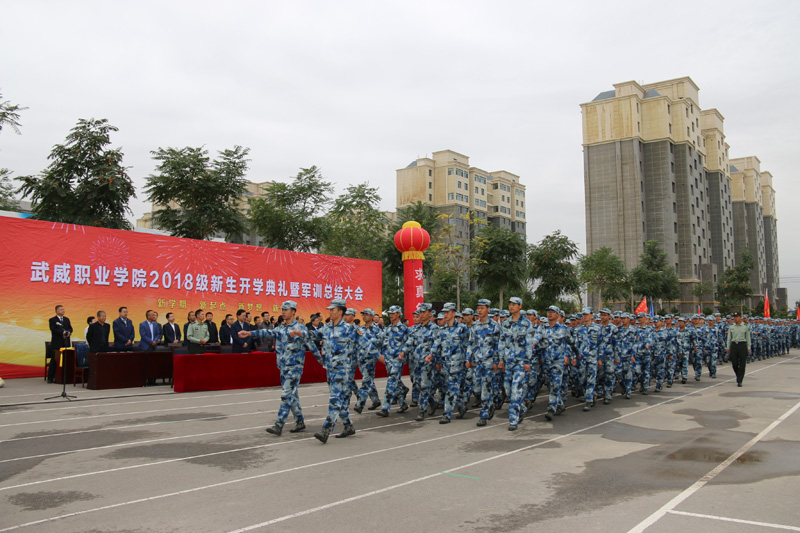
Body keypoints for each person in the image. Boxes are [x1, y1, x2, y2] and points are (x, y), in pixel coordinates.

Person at [240, 300, 323, 436]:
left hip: (295, 367)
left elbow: (311, 345)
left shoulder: (300, 329)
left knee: (286, 394)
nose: (283, 312)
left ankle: (279, 425)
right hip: (283, 367)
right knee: (292, 395)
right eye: (282, 309)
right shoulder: (281, 328)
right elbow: (267, 332)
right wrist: (249, 333)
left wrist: (320, 360)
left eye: (286, 309)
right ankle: (300, 422)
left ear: (293, 312)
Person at [312, 298, 358, 444]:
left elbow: (364, 342)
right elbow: (313, 335)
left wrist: (379, 357)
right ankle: (348, 426)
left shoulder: (349, 329)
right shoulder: (326, 328)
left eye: (332, 310)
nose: (330, 312)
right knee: (341, 401)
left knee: (335, 398)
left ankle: (326, 430)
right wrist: (299, 333)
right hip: (330, 368)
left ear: (340, 312)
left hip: (341, 370)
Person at [48, 305, 73, 382]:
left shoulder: (66, 319)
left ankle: (64, 377)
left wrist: (68, 332)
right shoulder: (53, 320)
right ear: (57, 311)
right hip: (57, 343)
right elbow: (53, 329)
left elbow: (70, 328)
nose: (63, 311)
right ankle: (50, 378)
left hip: (66, 343)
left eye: (63, 309)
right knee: (54, 360)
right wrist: (63, 332)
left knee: (66, 360)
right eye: (61, 309)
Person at [726, 312, 751, 387]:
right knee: (734, 363)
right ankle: (738, 375)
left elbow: (748, 338)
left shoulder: (745, 327)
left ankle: (740, 380)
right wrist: (728, 347)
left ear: (740, 317)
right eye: (734, 317)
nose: (735, 318)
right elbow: (729, 338)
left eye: (737, 317)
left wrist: (748, 348)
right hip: (734, 345)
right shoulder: (731, 327)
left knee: (742, 364)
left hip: (742, 345)